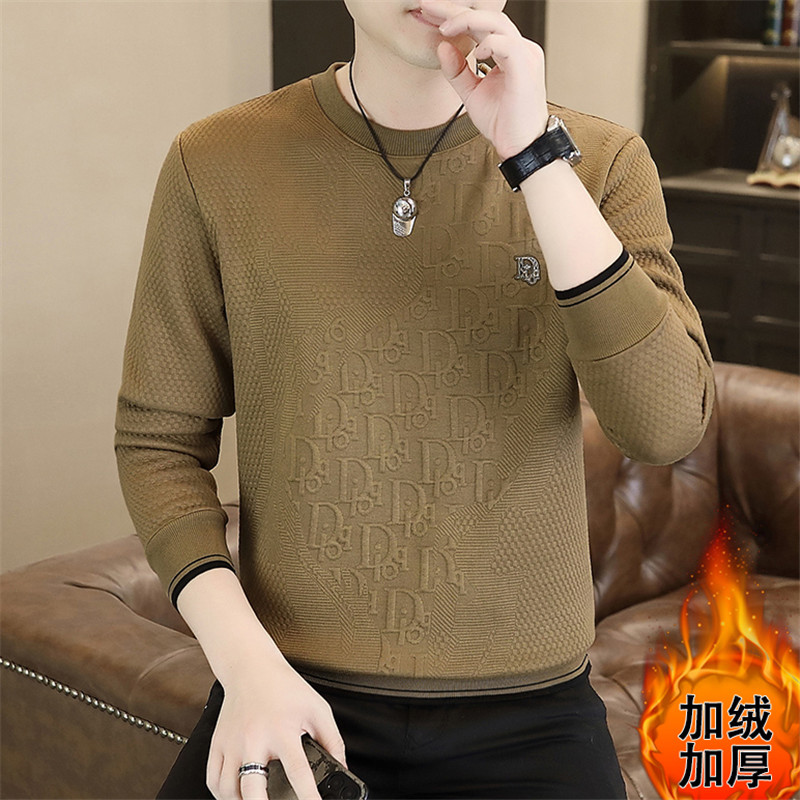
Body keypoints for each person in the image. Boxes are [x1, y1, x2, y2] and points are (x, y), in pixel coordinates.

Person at [115, 0, 715, 798]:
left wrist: (534, 157)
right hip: (288, 696)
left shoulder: (601, 162)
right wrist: (246, 665)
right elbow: (158, 442)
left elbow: (666, 426)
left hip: (532, 717)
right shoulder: (216, 160)